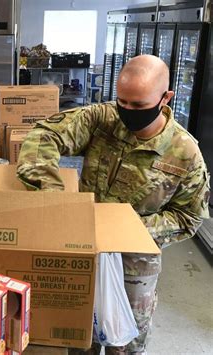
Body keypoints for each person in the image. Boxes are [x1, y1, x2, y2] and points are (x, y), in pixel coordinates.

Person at [17, 55, 210, 354]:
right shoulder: (103, 118)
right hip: (84, 250)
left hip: (135, 265)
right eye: (123, 102)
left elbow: (188, 218)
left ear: (165, 98)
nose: (128, 112)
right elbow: (46, 134)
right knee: (81, 336)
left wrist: (126, 229)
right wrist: (51, 189)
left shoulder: (185, 153)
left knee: (126, 343)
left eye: (138, 105)